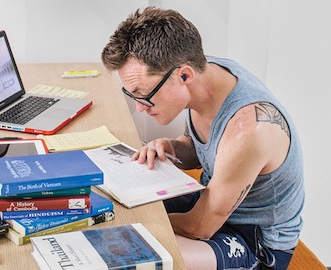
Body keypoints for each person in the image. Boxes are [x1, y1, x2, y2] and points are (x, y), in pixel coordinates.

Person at [101, 7, 304, 270]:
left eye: (143, 94)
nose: (140, 106)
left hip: (255, 242)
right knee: (110, 200)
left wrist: (131, 219)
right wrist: (172, 146)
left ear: (184, 75)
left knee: (131, 250)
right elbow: (201, 148)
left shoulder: (249, 130)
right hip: (212, 200)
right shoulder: (208, 72)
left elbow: (200, 227)